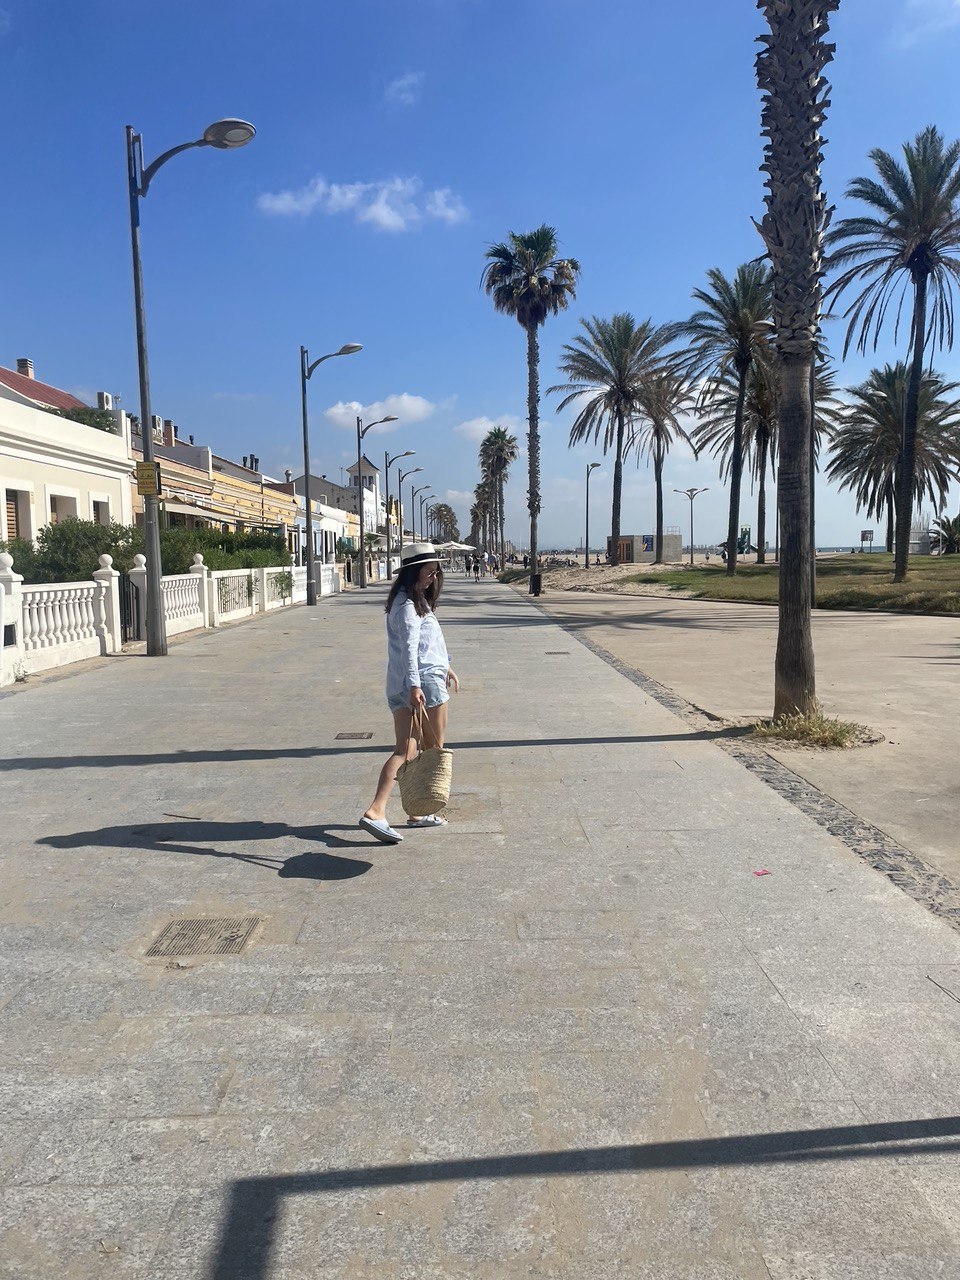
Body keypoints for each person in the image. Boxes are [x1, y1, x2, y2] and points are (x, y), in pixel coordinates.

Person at [359, 542, 460, 844]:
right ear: (414, 572)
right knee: (425, 750)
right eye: (429, 573)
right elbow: (409, 651)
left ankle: (413, 812)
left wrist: (448, 666)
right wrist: (417, 685)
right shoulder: (407, 607)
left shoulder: (409, 601)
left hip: (408, 682)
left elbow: (427, 644)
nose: (433, 578)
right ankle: (379, 810)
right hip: (421, 684)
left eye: (434, 573)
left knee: (409, 750)